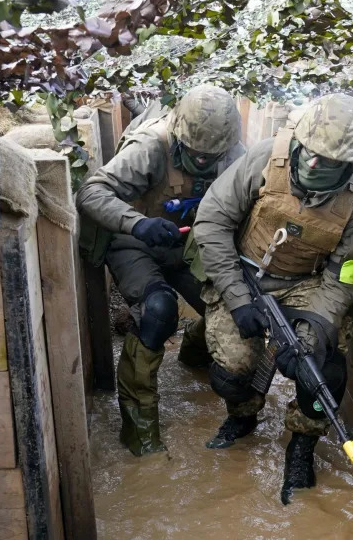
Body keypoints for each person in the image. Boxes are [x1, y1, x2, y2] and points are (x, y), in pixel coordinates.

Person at [192, 93, 353, 503]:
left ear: (348, 165)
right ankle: (243, 415)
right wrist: (238, 299)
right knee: (232, 372)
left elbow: (342, 276)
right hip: (243, 271)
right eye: (307, 152)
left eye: (325, 160)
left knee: (322, 369)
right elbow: (211, 221)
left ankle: (302, 445)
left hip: (307, 283)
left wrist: (311, 334)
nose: (311, 163)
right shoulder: (263, 159)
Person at [76, 84, 244, 456]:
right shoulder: (151, 146)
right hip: (135, 242)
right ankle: (140, 432)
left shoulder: (234, 154)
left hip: (187, 245)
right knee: (158, 312)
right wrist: (137, 223)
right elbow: (91, 192)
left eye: (211, 155)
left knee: (227, 307)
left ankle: (194, 360)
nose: (203, 161)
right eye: (195, 154)